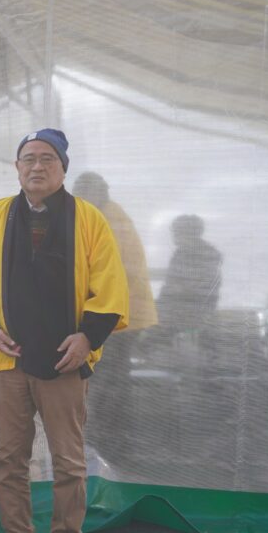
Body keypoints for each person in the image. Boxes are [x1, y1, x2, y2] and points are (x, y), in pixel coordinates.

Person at [0, 129, 129, 533]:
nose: (37, 166)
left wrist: (87, 337)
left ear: (63, 168)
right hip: (8, 358)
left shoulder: (88, 219)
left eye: (47, 158)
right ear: (16, 168)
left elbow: (109, 286)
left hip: (64, 359)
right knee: (8, 456)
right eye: (28, 158)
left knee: (68, 458)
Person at [73, 172, 157, 449]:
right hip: (123, 312)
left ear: (97, 194)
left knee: (109, 378)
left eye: (82, 195)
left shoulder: (108, 221)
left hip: (119, 315)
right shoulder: (110, 214)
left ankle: (109, 437)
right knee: (115, 376)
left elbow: (105, 274)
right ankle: (113, 433)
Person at [156, 214, 222, 335]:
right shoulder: (187, 253)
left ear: (186, 233)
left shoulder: (194, 255)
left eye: (176, 232)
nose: (173, 236)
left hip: (189, 313)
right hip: (186, 310)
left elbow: (184, 288)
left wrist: (160, 307)